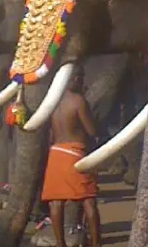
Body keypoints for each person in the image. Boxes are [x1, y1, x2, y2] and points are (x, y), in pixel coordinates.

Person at [39, 67, 100, 247]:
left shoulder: (52, 101)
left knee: (56, 202)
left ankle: (60, 243)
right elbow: (91, 130)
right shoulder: (78, 101)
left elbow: (50, 133)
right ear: (71, 79)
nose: (81, 82)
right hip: (75, 153)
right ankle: (96, 244)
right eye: (79, 77)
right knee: (88, 200)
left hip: (56, 153)